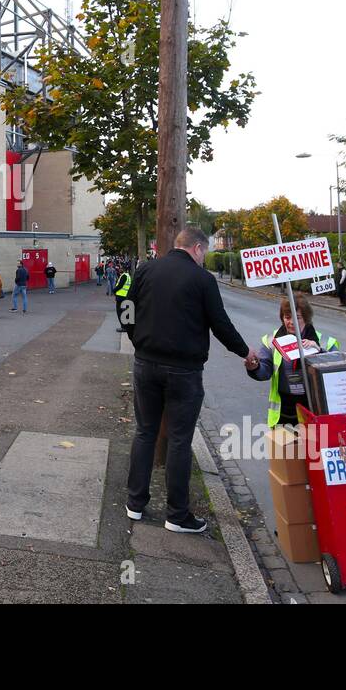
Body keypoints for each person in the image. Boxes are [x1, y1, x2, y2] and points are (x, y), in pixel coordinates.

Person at [122, 226, 253, 534]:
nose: (204, 258)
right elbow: (221, 325)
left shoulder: (146, 270)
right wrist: (246, 353)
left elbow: (126, 308)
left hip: (145, 363)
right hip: (184, 371)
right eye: (204, 252)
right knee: (180, 440)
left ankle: (135, 503)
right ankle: (177, 514)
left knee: (144, 431)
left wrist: (138, 339)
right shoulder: (203, 280)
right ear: (196, 248)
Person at [244, 294, 340, 427]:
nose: (291, 322)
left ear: (306, 318)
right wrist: (253, 367)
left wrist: (319, 351)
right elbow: (264, 372)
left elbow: (338, 374)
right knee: (285, 448)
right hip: (284, 411)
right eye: (287, 317)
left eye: (297, 317)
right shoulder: (272, 341)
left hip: (313, 407)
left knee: (311, 447)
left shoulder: (325, 342)